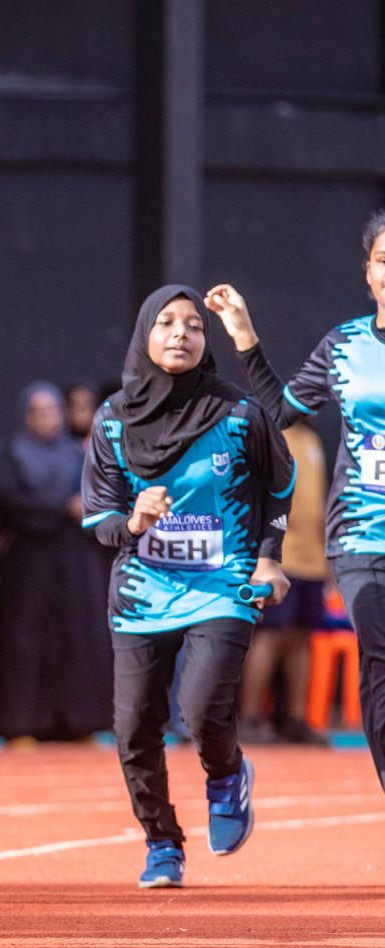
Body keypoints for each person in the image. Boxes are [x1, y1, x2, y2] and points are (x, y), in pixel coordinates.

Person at [82, 285, 292, 888]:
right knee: (134, 728)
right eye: (167, 323)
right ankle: (161, 843)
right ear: (144, 336)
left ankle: (226, 775)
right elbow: (99, 518)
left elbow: (282, 482)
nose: (181, 333)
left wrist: (269, 557)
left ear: (206, 342)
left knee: (200, 707)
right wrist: (134, 522)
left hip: (223, 584)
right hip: (143, 591)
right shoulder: (112, 421)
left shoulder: (239, 413)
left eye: (194, 325)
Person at [209, 211, 385, 795]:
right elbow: (281, 411)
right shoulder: (346, 345)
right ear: (368, 273)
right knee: (381, 660)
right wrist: (242, 332)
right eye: (384, 261)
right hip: (363, 537)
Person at [0, 383, 114, 741]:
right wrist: (62, 508)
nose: (46, 419)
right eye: (37, 412)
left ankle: (78, 723)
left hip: (76, 563)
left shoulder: (80, 454)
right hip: (28, 564)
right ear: (26, 416)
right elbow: (9, 502)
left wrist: (87, 509)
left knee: (78, 637)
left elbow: (106, 499)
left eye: (52, 411)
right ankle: (22, 724)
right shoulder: (10, 455)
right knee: (25, 641)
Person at [238, 422, 331, 745]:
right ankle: (248, 717)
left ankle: (294, 719)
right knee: (269, 635)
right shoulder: (269, 437)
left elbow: (318, 501)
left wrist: (327, 556)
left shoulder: (313, 439)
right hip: (280, 556)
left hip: (313, 559)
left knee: (302, 637)